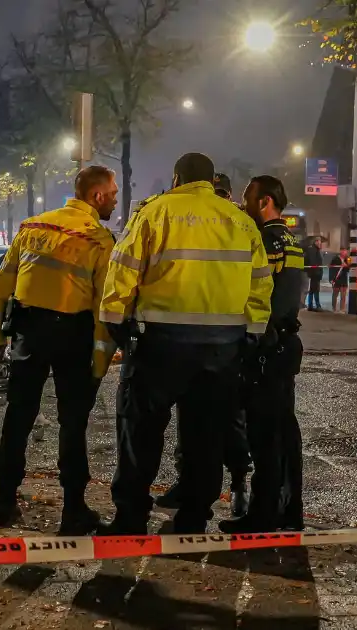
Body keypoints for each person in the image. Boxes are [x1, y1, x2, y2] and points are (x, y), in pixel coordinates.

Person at [100, 152, 273, 534]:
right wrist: (252, 333)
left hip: (160, 344)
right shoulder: (242, 222)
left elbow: (123, 270)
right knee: (205, 435)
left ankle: (131, 517)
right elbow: (261, 285)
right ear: (212, 181)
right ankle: (194, 516)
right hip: (222, 348)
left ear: (177, 178)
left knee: (140, 432)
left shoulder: (156, 212)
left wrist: (117, 323)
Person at [0, 165, 119, 535]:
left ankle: (4, 502)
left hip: (28, 331)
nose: (115, 200)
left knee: (18, 417)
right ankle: (73, 509)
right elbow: (101, 307)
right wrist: (100, 359)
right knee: (72, 423)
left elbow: (2, 285)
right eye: (112, 194)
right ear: (96, 196)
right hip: (72, 335)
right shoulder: (97, 238)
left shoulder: (33, 227)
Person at [155, 171, 254, 516]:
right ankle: (192, 488)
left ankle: (239, 485)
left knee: (228, 425)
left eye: (226, 193)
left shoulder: (239, 228)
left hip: (227, 346)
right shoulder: (221, 226)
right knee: (194, 424)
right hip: (211, 344)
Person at [221, 175, 305, 534]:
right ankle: (290, 508)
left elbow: (253, 292)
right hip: (285, 344)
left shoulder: (266, 240)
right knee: (285, 432)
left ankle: (264, 512)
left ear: (265, 201)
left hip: (266, 347)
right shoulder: (291, 240)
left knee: (264, 434)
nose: (243, 203)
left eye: (247, 197)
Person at [304, 237, 324, 311]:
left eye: (320, 242)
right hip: (315, 273)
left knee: (312, 289)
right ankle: (317, 305)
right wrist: (317, 272)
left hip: (314, 273)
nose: (320, 243)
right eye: (318, 241)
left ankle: (310, 305)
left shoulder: (315, 250)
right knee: (315, 290)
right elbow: (314, 262)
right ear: (315, 242)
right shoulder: (313, 250)